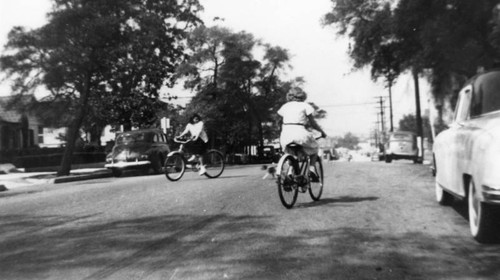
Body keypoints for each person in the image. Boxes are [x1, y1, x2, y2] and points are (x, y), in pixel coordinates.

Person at [277, 87, 327, 161]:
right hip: (300, 134)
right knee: (315, 148)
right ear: (303, 95)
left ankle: (291, 169)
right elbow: (313, 124)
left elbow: (279, 123)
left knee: (290, 154)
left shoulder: (285, 106)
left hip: (286, 136)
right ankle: (312, 168)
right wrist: (322, 133)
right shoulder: (305, 106)